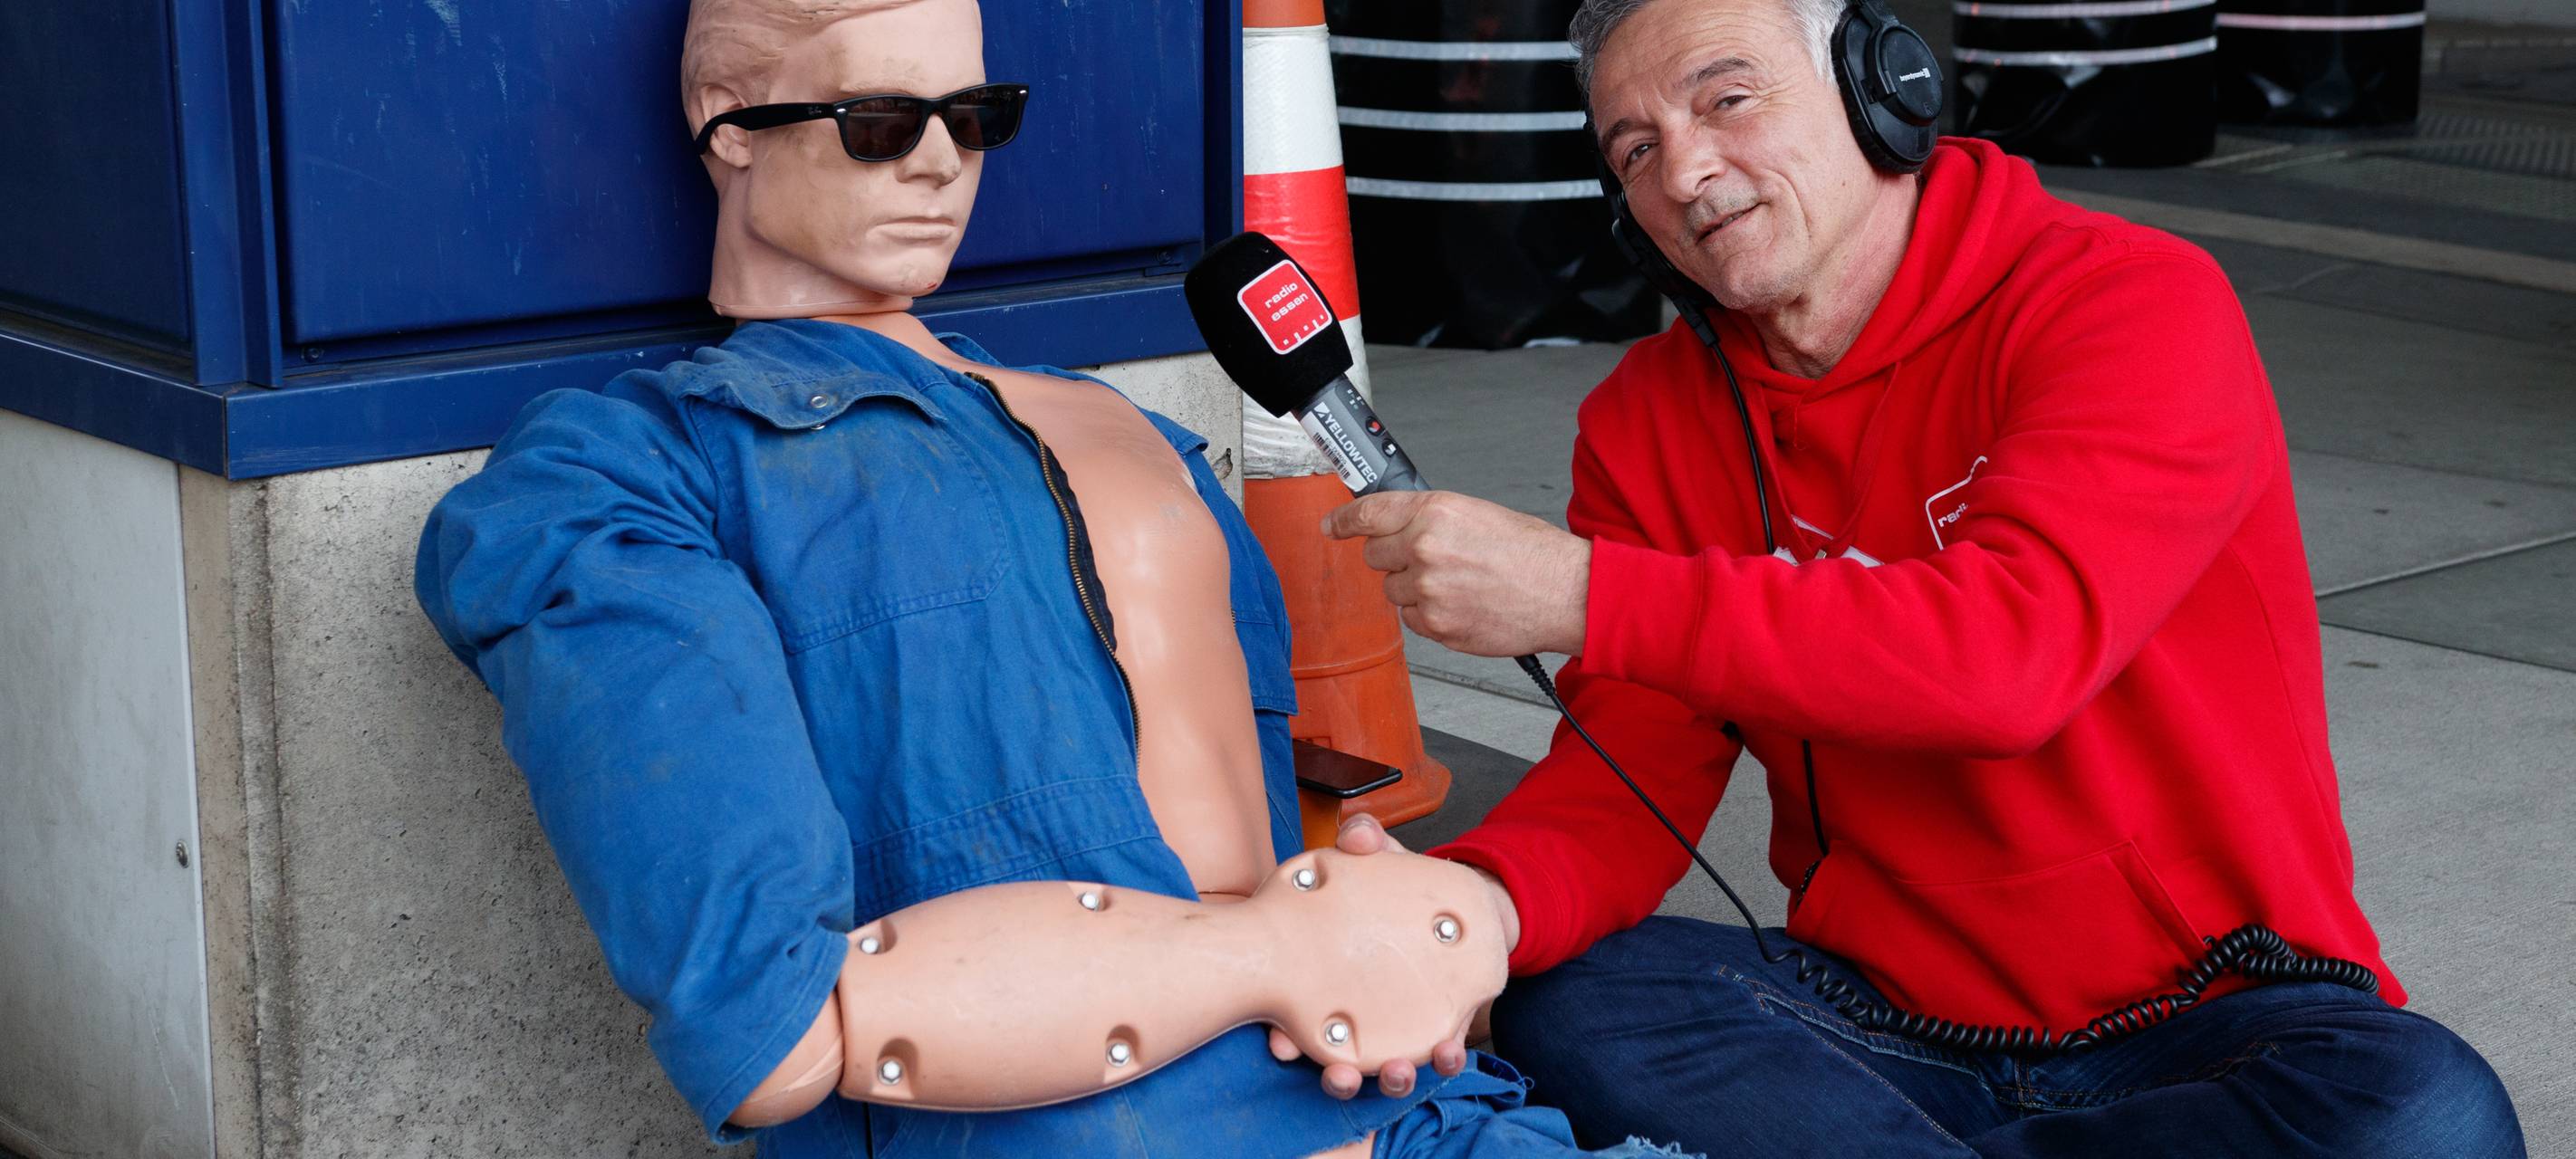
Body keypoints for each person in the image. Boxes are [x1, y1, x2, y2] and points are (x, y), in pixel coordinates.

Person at [415, 1, 1694, 1156]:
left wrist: (1398, 909)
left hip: (1413, 1099)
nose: (938, 164)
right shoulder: (628, 468)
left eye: (974, 119)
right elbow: (775, 1035)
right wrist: (1274, 950)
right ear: (727, 125)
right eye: (878, 122)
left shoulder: (1141, 435)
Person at [1316, 0, 2527, 1154]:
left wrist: (1589, 593)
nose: (1682, 174)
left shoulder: (2125, 301)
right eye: (1635, 148)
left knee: (2420, 1112)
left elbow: (2011, 658)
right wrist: (1466, 915)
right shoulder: (1649, 425)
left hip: (2214, 1021)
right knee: (1576, 1004)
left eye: (1726, 100)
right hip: (1883, 1019)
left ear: (1881, 90)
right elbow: (1630, 781)